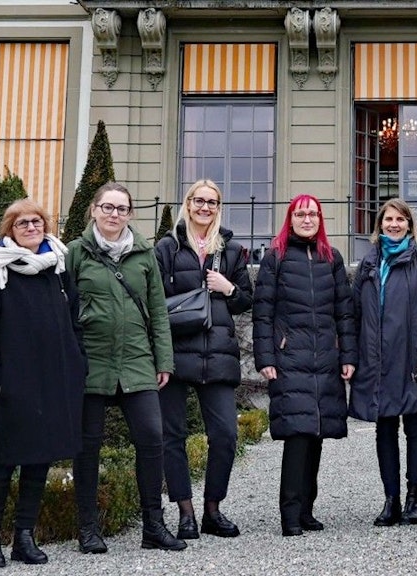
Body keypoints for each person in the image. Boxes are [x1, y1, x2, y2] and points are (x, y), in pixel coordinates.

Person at [66, 182, 186, 553]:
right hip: (91, 362)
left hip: (136, 362)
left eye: (121, 209)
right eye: (107, 207)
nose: (114, 214)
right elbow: (64, 311)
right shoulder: (75, 253)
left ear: (130, 214)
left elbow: (159, 313)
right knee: (87, 448)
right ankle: (87, 529)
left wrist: (163, 360)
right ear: (93, 210)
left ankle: (153, 526)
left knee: (152, 440)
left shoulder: (143, 253)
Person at [0, 199, 86, 567]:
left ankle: (24, 536)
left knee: (39, 461)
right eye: (22, 223)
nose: (31, 227)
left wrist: (77, 363)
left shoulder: (58, 268)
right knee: (1, 463)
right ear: (9, 230)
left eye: (37, 221)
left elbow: (73, 320)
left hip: (53, 380)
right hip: (11, 383)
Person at [252, 194, 358, 536]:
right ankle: (290, 514)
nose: (307, 219)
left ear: (320, 219)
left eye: (313, 213)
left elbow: (344, 312)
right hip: (289, 357)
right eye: (301, 214)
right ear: (291, 218)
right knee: (297, 435)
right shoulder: (275, 258)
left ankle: (307, 510)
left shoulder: (332, 258)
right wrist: (266, 357)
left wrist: (348, 356)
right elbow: (263, 312)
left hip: (325, 358)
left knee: (316, 435)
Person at [155, 180, 252, 539]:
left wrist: (229, 289)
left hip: (218, 353)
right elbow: (154, 301)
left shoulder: (231, 249)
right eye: (199, 200)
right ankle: (185, 512)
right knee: (172, 436)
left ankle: (213, 508)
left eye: (212, 202)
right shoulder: (167, 247)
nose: (205, 207)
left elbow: (246, 301)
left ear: (219, 207)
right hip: (177, 353)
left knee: (225, 434)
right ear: (188, 203)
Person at [350, 198, 417, 527]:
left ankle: (413, 498)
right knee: (385, 429)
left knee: (416, 428)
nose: (393, 224)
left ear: (409, 225)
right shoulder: (367, 264)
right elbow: (354, 313)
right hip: (377, 362)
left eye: (400, 219)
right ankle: (390, 499)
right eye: (388, 219)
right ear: (379, 225)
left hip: (413, 359)